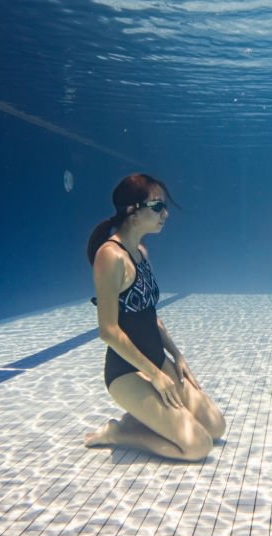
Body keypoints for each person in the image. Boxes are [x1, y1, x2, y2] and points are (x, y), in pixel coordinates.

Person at [83, 174, 225, 460]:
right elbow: (108, 331)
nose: (165, 214)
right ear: (133, 212)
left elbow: (149, 316)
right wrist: (156, 377)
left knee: (215, 427)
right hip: (127, 371)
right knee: (197, 446)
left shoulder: (141, 252)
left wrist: (177, 357)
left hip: (157, 362)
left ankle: (143, 418)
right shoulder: (109, 256)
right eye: (158, 206)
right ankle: (119, 433)